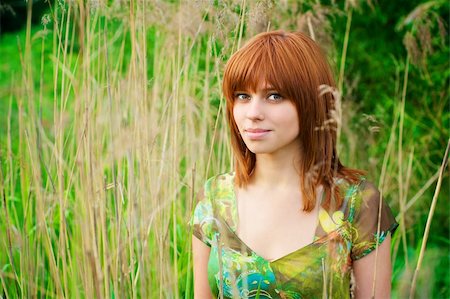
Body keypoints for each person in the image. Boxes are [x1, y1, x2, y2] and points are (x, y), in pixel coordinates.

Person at [190, 30, 398, 299]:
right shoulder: (215, 200)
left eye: (274, 96)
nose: (253, 113)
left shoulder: (357, 205)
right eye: (243, 96)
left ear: (311, 102)